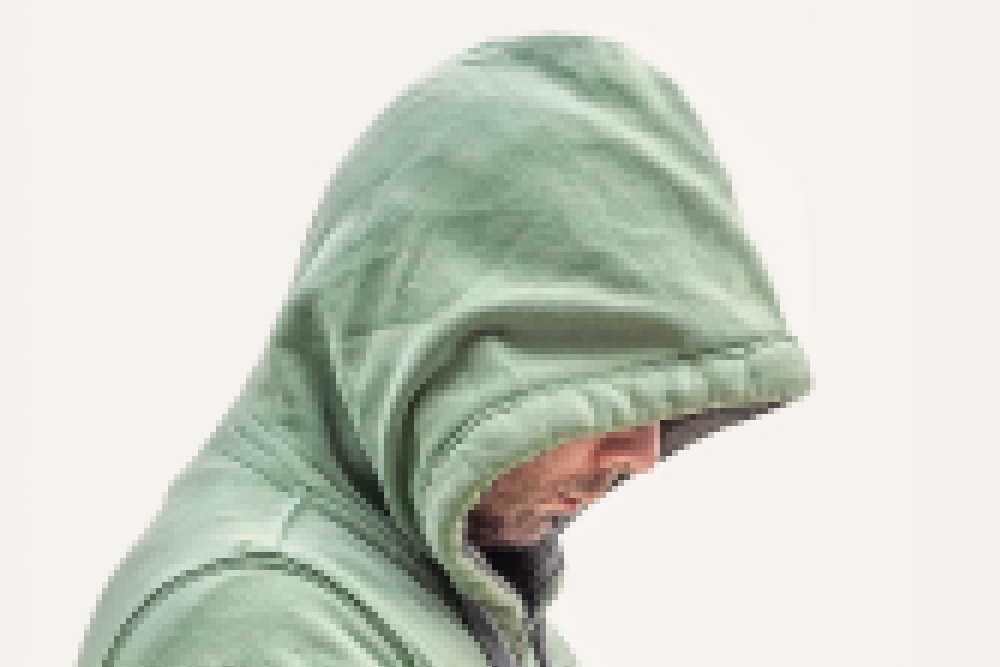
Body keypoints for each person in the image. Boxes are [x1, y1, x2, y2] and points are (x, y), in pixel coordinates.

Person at [75, 33, 813, 667]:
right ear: (439, 345)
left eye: (659, 393)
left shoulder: (441, 593)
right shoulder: (261, 625)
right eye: (598, 386)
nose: (643, 450)